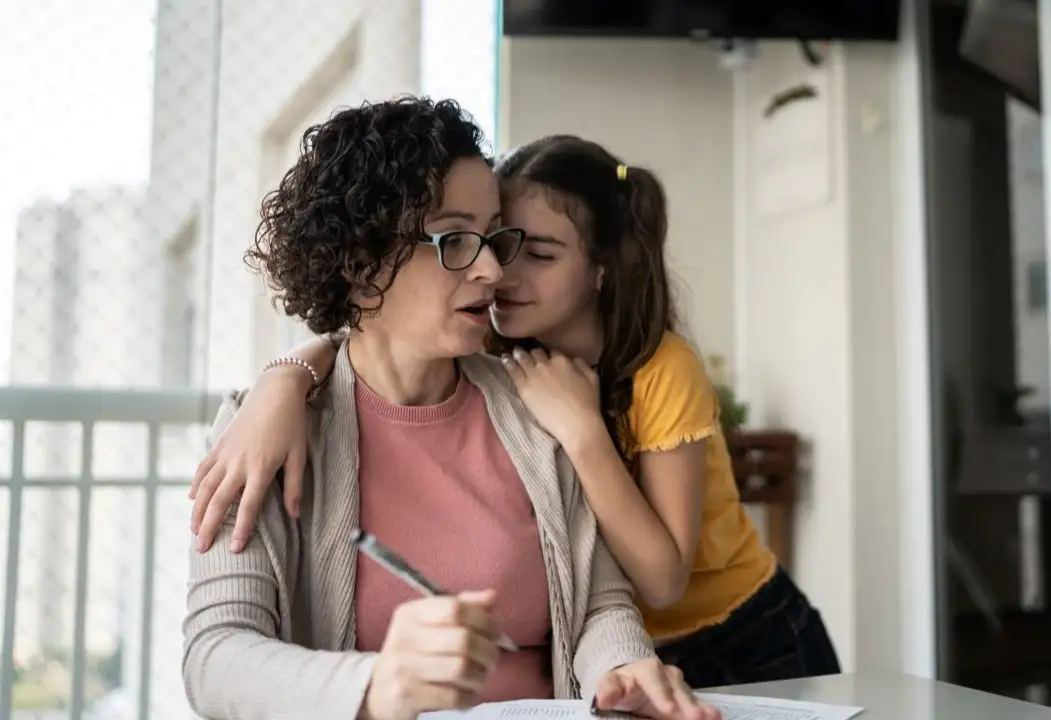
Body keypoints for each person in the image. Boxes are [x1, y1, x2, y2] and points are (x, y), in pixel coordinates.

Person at [189, 133, 841, 689]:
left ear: (601, 272)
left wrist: (583, 430)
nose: (498, 271)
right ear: (362, 264)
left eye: (514, 247)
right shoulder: (492, 347)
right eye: (460, 241)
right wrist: (283, 379)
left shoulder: (617, 379)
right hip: (645, 653)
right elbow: (369, 341)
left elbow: (630, 594)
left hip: (745, 631)